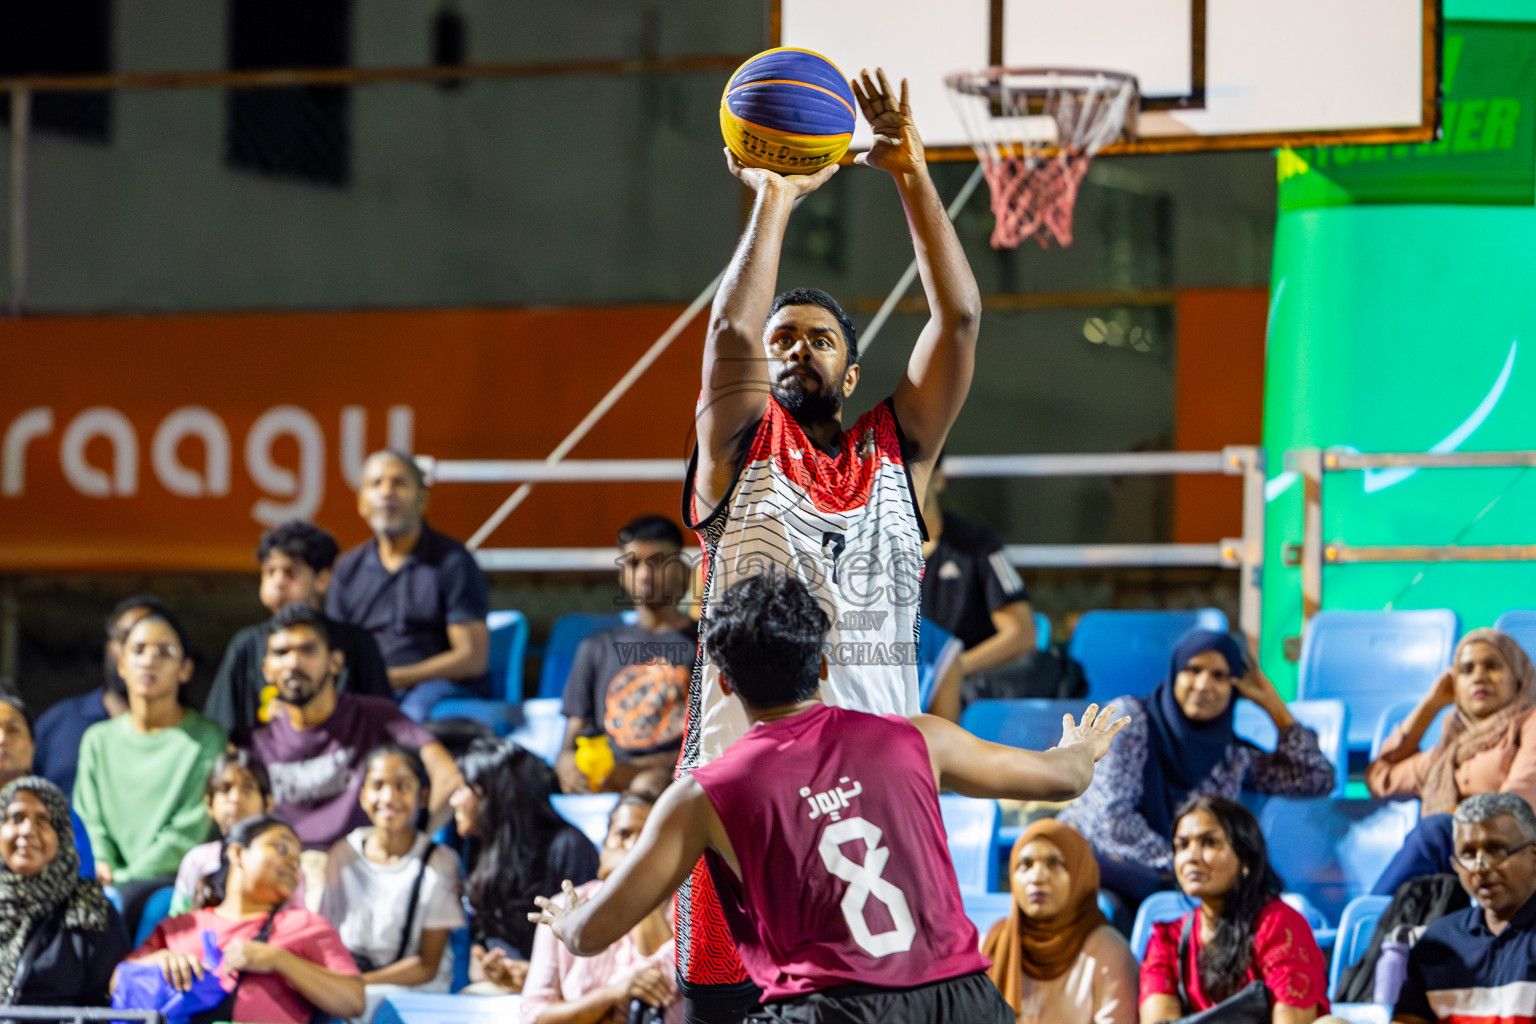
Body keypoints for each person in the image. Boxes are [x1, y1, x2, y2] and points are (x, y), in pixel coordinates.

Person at [678, 68, 981, 1022]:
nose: (795, 348)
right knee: (723, 1012)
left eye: (817, 338)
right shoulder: (736, 447)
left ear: (852, 367)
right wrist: (773, 193)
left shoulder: (901, 450)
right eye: (783, 340)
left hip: (876, 785)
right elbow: (730, 325)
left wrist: (911, 174)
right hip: (745, 793)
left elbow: (960, 318)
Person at [530, 572, 1128, 1024]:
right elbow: (1062, 780)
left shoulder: (701, 795)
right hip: (962, 1000)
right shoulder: (916, 737)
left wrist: (564, 917)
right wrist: (1081, 746)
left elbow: (590, 935)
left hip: (833, 1007)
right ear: (821, 665)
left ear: (722, 681)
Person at [1056, 629, 1334, 919]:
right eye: (1193, 670)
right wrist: (1186, 865)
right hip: (1103, 871)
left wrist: (1274, 706)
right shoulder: (1128, 720)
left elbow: (1316, 778)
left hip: (1178, 884)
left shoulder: (1230, 755)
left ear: (1235, 687)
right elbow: (1111, 822)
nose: (1203, 685)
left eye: (1219, 676)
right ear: (1175, 673)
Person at [249, 603, 463, 863]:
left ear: (335, 661)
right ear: (266, 669)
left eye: (308, 650)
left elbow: (449, 777)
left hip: (365, 866)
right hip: (290, 872)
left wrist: (411, 846)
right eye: (281, 653)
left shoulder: (376, 716)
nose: (293, 662)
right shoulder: (257, 741)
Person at [125, 814, 366, 1024]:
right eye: (281, 849)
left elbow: (353, 1000)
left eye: (297, 861)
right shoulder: (182, 926)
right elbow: (117, 983)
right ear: (238, 853)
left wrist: (279, 959)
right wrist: (160, 960)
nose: (293, 864)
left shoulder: (306, 924)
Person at [74, 607, 226, 929]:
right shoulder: (97, 740)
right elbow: (88, 817)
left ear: (185, 669)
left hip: (167, 884)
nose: (150, 660)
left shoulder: (205, 739)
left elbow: (188, 831)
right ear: (122, 665)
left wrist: (124, 878)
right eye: (139, 650)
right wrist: (101, 863)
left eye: (165, 651)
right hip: (103, 881)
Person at [1368, 629, 1536, 896]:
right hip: (1464, 866)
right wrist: (1431, 704)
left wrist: (1456, 816)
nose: (1479, 677)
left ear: (1518, 678)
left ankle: (1373, 923)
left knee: (1437, 829)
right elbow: (1380, 779)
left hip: (1515, 858)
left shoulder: (1529, 724)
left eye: (1492, 666)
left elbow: (1516, 806)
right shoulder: (1447, 753)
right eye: (1466, 670)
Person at [328, 450, 491, 721]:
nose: (387, 492)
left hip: (439, 694)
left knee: (408, 719)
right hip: (370, 689)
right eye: (376, 483)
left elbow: (472, 657)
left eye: (399, 483)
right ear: (361, 503)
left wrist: (397, 678)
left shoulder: (454, 562)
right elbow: (335, 653)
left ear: (422, 500)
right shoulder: (346, 570)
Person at [1140, 797, 1330, 1024]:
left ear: (1246, 859)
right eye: (1182, 845)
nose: (1191, 857)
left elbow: (1291, 1020)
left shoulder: (1279, 925)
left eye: (1209, 842)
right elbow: (1158, 1020)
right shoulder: (1168, 940)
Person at [206, 520, 392, 744]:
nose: (278, 582)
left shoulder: (357, 643)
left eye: (290, 572)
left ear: (322, 579)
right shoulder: (245, 645)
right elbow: (221, 730)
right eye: (270, 571)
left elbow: (383, 725)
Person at [320, 744, 466, 1023]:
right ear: (363, 796)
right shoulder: (343, 853)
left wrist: (359, 983)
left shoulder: (438, 862)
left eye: (402, 786)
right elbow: (328, 936)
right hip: (351, 982)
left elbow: (426, 965)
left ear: (422, 797)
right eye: (377, 786)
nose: (388, 797)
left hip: (412, 992)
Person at [556, 515, 697, 794]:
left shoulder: (707, 643)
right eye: (633, 563)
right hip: (603, 786)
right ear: (622, 574)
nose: (644, 574)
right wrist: (565, 764)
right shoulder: (595, 648)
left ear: (681, 570)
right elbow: (571, 741)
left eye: (657, 562)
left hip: (678, 788)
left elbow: (718, 745)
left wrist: (637, 772)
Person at [452, 738, 599, 995]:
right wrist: (488, 964)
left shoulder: (568, 847)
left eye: (464, 788)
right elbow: (481, 946)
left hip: (563, 994)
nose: (453, 800)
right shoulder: (478, 846)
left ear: (493, 795)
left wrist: (534, 973)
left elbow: (589, 946)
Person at [521, 791, 681, 1024]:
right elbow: (534, 1014)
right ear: (605, 845)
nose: (635, 846)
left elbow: (666, 987)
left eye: (648, 836)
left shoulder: (687, 908)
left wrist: (636, 885)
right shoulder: (564, 907)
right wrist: (612, 994)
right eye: (623, 834)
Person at [1391, 792, 1536, 1024]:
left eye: (1497, 849)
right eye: (1468, 854)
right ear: (1454, 866)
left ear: (1534, 854)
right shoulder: (1438, 941)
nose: (1480, 867)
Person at [982, 820, 1139, 1024]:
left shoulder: (1111, 951)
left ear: (1079, 873)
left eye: (1053, 863)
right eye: (1026, 865)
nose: (1036, 877)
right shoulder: (995, 941)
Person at [0, 775, 130, 1008]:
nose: (27, 830)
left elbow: (109, 1004)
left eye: (43, 820)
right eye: (16, 818)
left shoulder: (90, 909)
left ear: (62, 834)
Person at [920, 453, 1038, 697]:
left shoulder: (978, 543)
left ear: (938, 479)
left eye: (915, 473)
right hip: (900, 691)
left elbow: (1022, 633)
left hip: (965, 686)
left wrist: (950, 670)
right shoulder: (869, 551)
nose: (905, 485)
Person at [32, 595, 167, 797]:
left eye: (149, 642)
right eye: (125, 637)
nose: (137, 653)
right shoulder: (59, 723)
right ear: (109, 645)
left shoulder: (190, 737)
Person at [170, 749, 306, 916]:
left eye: (248, 789)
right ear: (209, 805)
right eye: (225, 790)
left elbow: (298, 925)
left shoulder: (284, 861)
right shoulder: (197, 861)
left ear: (268, 803)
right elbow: (180, 922)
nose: (235, 798)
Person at [0, 694, 96, 879]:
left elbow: (81, 871)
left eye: (13, 730)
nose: (2, 739)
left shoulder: (55, 808)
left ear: (33, 747)